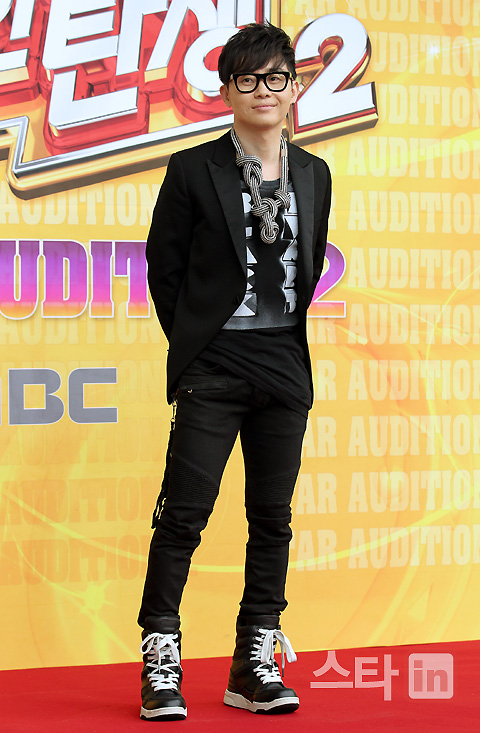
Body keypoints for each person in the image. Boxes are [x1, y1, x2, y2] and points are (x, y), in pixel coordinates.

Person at [138, 22, 331, 721]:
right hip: (214, 369)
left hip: (285, 368)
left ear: (294, 86)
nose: (263, 91)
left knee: (272, 519)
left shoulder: (315, 173)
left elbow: (308, 266)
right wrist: (197, 346)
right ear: (226, 91)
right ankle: (160, 660)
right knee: (183, 516)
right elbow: (164, 269)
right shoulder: (194, 169)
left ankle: (253, 664)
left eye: (276, 77)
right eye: (247, 79)